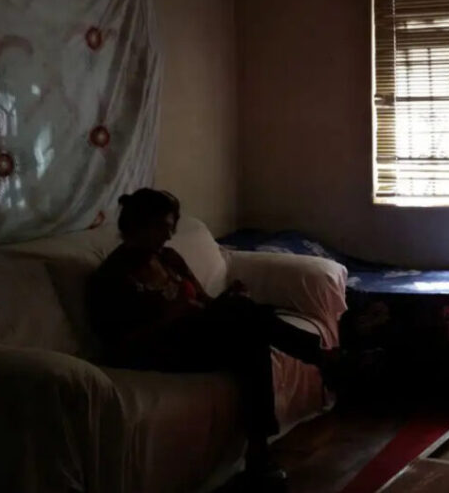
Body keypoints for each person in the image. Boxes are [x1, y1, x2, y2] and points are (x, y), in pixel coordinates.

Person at [88, 188, 340, 491]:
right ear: (139, 225)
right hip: (159, 351)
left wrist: (228, 297)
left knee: (249, 338)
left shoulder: (168, 258)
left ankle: (259, 453)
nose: (168, 236)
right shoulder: (113, 277)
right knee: (248, 325)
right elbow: (120, 346)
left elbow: (206, 303)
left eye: (171, 227)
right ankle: (324, 359)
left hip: (198, 335)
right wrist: (172, 316)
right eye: (163, 227)